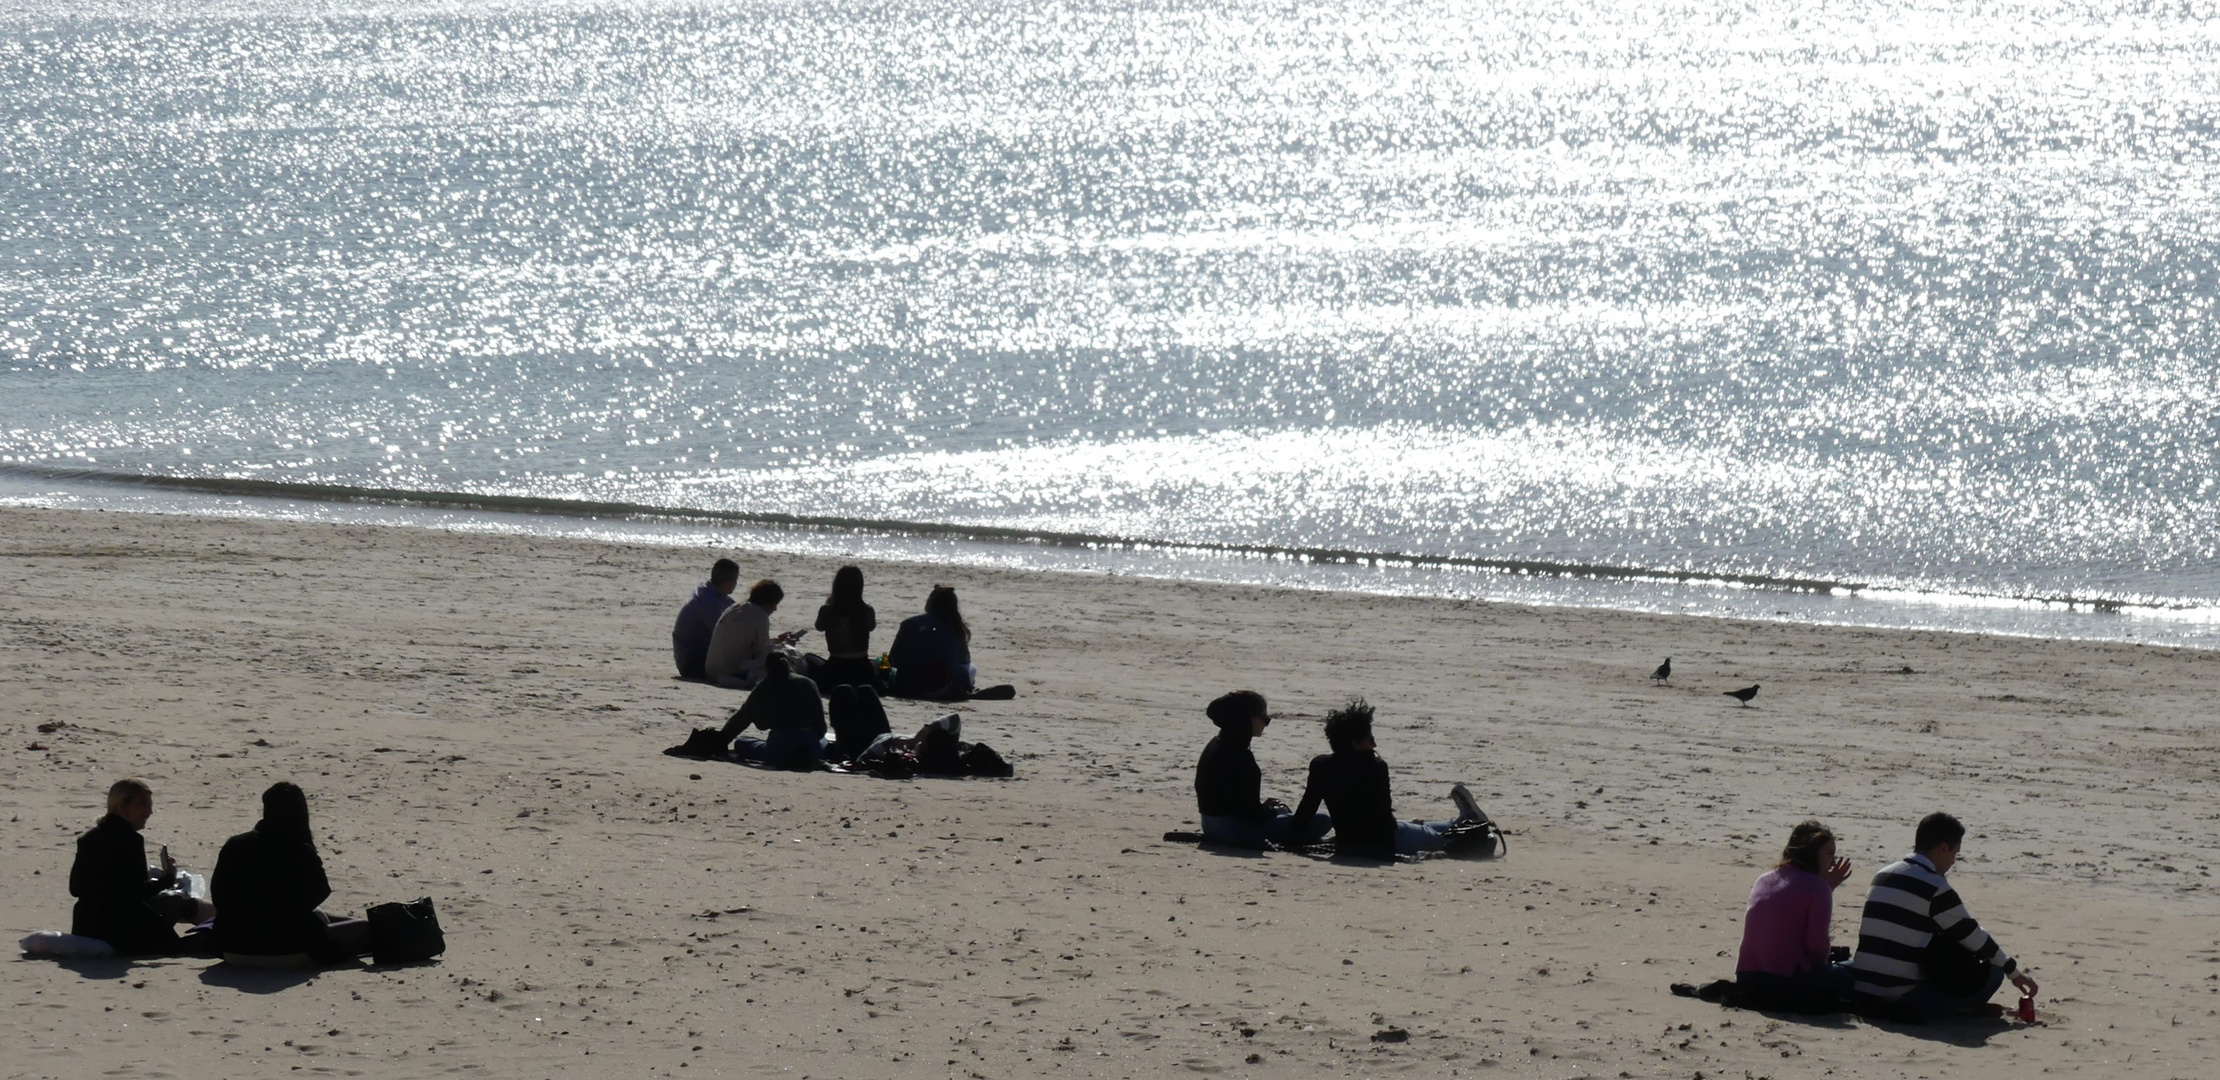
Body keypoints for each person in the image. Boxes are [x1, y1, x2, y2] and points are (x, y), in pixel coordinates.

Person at [1851, 812, 2038, 1021]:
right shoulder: (1935, 885)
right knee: (1994, 972)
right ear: (1942, 848)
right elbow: (1972, 935)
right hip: (1900, 995)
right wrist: (2013, 972)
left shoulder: (1883, 874)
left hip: (1862, 986)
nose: (1952, 862)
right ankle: (1959, 1010)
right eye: (1954, 854)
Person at [1285, 699, 1488, 859]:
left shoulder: (1320, 765)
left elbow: (1306, 809)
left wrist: (1291, 842)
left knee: (1415, 825)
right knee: (1428, 833)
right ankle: (1471, 823)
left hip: (1351, 840)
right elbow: (1382, 821)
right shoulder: (1375, 766)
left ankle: (1461, 820)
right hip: (1388, 842)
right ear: (1356, 743)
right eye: (1370, 738)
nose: (1374, 744)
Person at [212, 782, 372, 965]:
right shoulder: (299, 849)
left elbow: (219, 898)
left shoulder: (235, 845)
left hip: (232, 948)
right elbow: (320, 891)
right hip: (289, 948)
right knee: (364, 928)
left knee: (319, 915)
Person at [1734, 820, 1856, 1011]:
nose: (1833, 862)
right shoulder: (1817, 887)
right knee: (1855, 970)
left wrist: (1826, 887)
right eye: (1829, 854)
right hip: (1786, 983)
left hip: (1748, 978)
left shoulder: (1764, 879)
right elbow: (1817, 948)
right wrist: (1826, 888)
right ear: (1812, 854)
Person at [69, 779, 201, 955]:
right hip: (123, 930)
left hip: (86, 926)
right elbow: (137, 892)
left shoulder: (88, 838)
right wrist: (168, 878)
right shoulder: (131, 840)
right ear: (122, 806)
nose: (149, 811)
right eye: (143, 804)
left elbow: (75, 888)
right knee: (181, 911)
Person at [1194, 690, 1330, 848]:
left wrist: (1267, 808)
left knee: (1287, 814)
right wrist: (1272, 811)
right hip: (1233, 830)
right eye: (1264, 718)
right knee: (1322, 820)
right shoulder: (1239, 755)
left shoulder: (1216, 744)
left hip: (1211, 824)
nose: (1266, 723)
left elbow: (1237, 801)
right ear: (1247, 719)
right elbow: (1250, 815)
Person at [706, 652, 827, 769]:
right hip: (810, 748)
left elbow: (741, 719)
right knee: (824, 741)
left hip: (778, 749)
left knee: (741, 742)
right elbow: (821, 728)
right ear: (791, 665)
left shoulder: (764, 686)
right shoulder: (808, 683)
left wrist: (721, 741)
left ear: (766, 669)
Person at [705, 579, 803, 689]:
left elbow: (743, 641)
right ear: (767, 603)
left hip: (712, 669)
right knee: (783, 660)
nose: (775, 609)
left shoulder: (735, 607)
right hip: (731, 671)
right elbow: (763, 653)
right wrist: (787, 646)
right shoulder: (760, 616)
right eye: (774, 605)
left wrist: (776, 641)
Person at [888, 585, 974, 699]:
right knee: (970, 667)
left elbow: (893, 657)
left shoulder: (908, 623)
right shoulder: (953, 629)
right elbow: (956, 666)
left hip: (905, 682)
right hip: (936, 685)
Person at [812, 565, 881, 694]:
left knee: (810, 658)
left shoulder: (827, 610)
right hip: (862, 668)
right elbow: (871, 627)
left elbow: (819, 627)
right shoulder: (867, 610)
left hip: (836, 666)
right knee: (877, 663)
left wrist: (830, 602)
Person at [672, 558, 740, 679]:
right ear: (730, 582)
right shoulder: (708, 601)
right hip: (691, 662)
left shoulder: (714, 593)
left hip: (701, 655)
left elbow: (738, 618)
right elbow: (725, 636)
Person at [826, 682, 892, 763]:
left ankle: (855, 745)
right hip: (883, 744)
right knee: (866, 690)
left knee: (842, 691)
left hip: (854, 749)